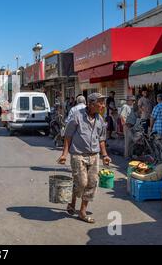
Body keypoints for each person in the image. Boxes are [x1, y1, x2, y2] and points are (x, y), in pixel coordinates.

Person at [58, 93, 112, 224]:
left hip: (94, 155)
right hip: (78, 154)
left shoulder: (100, 120)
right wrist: (64, 154)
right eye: (101, 103)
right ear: (92, 103)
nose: (103, 106)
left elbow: (102, 139)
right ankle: (72, 201)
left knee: (92, 183)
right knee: (81, 182)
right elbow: (68, 135)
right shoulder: (77, 116)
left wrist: (105, 155)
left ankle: (82, 212)